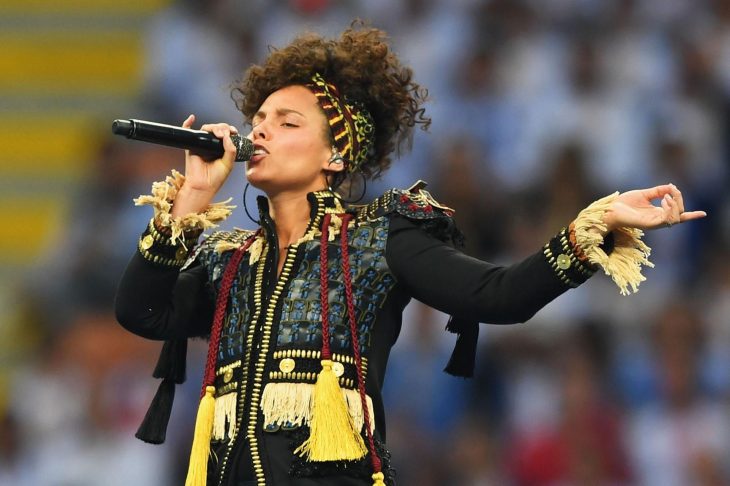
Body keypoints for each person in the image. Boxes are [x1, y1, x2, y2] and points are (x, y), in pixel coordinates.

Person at [114, 25, 706, 486]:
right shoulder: (226, 260)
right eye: (258, 119)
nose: (259, 132)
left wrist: (592, 225)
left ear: (336, 156)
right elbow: (141, 314)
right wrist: (190, 201)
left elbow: (500, 296)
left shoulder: (378, 239)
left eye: (286, 121)